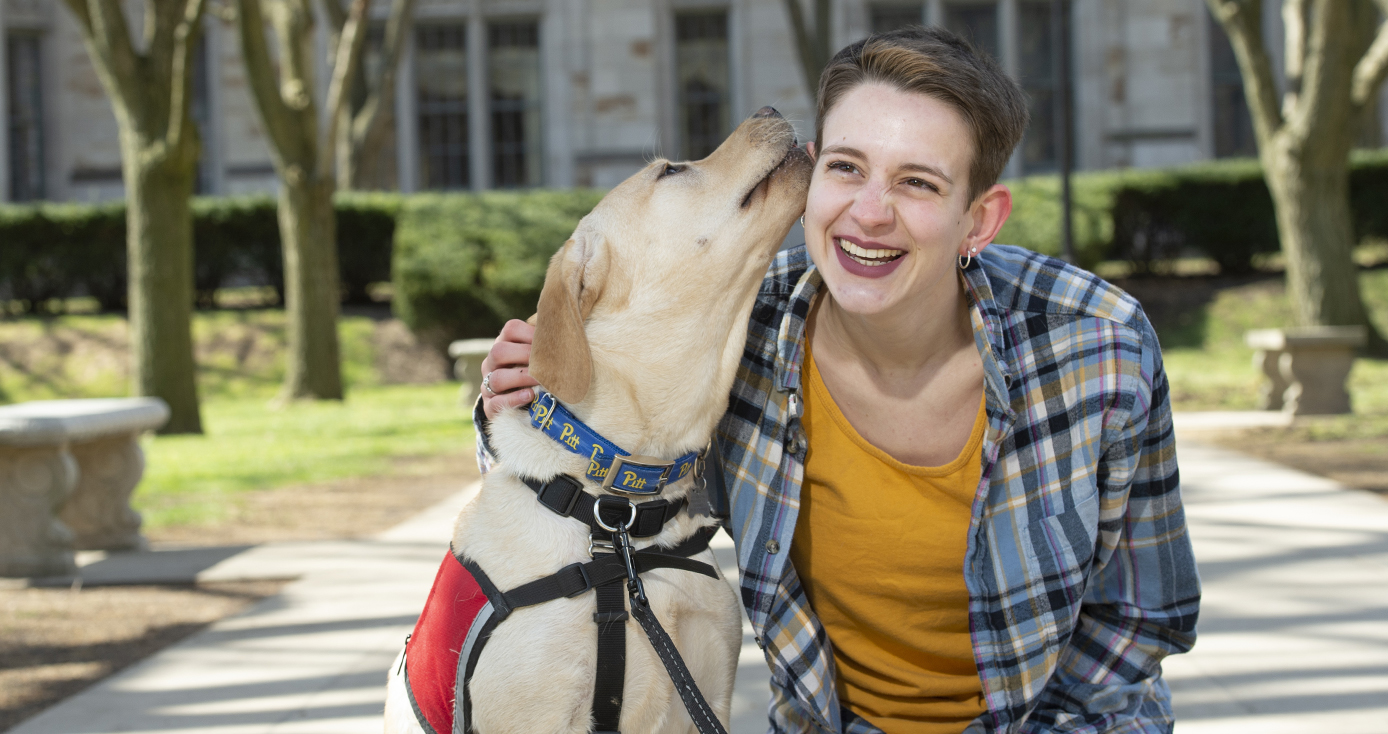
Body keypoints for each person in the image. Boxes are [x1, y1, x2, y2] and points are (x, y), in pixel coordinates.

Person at [478, 26, 1199, 734]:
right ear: (813, 171)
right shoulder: (744, 335)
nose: (869, 213)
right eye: (847, 168)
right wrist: (521, 396)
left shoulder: (1097, 344)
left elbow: (1140, 617)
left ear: (979, 220)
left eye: (917, 183)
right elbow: (607, 469)